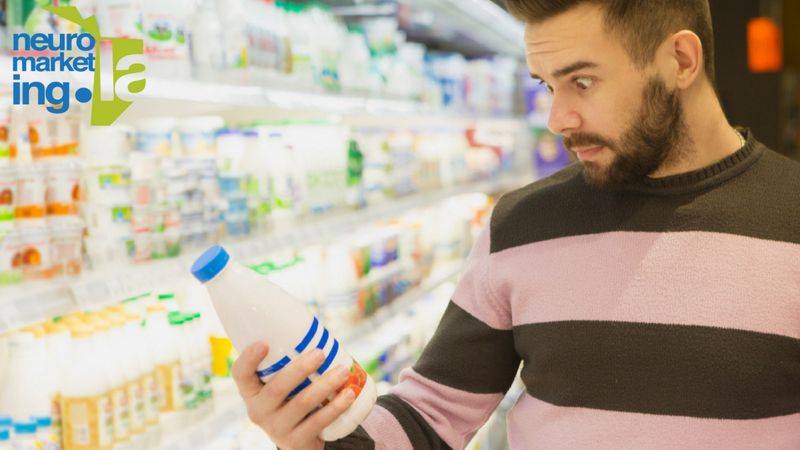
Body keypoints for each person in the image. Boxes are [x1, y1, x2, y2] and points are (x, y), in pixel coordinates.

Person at [232, 1, 800, 448]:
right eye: (546, 85)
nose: (557, 119)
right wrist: (318, 434)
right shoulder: (521, 224)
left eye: (582, 82)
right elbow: (431, 415)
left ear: (680, 60)